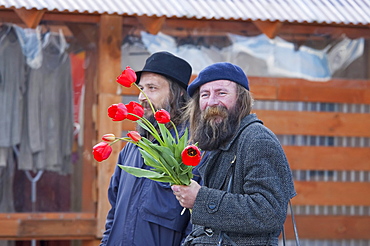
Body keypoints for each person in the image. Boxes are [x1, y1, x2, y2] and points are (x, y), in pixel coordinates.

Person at [171, 62, 296, 246]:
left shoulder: (257, 139)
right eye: (205, 95)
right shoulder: (219, 140)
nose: (212, 101)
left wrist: (201, 199)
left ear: (241, 99)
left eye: (221, 93)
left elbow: (270, 212)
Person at [100, 51, 194, 246]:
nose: (142, 97)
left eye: (152, 88)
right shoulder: (131, 149)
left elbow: (197, 227)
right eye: (141, 88)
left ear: (179, 93)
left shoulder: (191, 152)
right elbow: (113, 214)